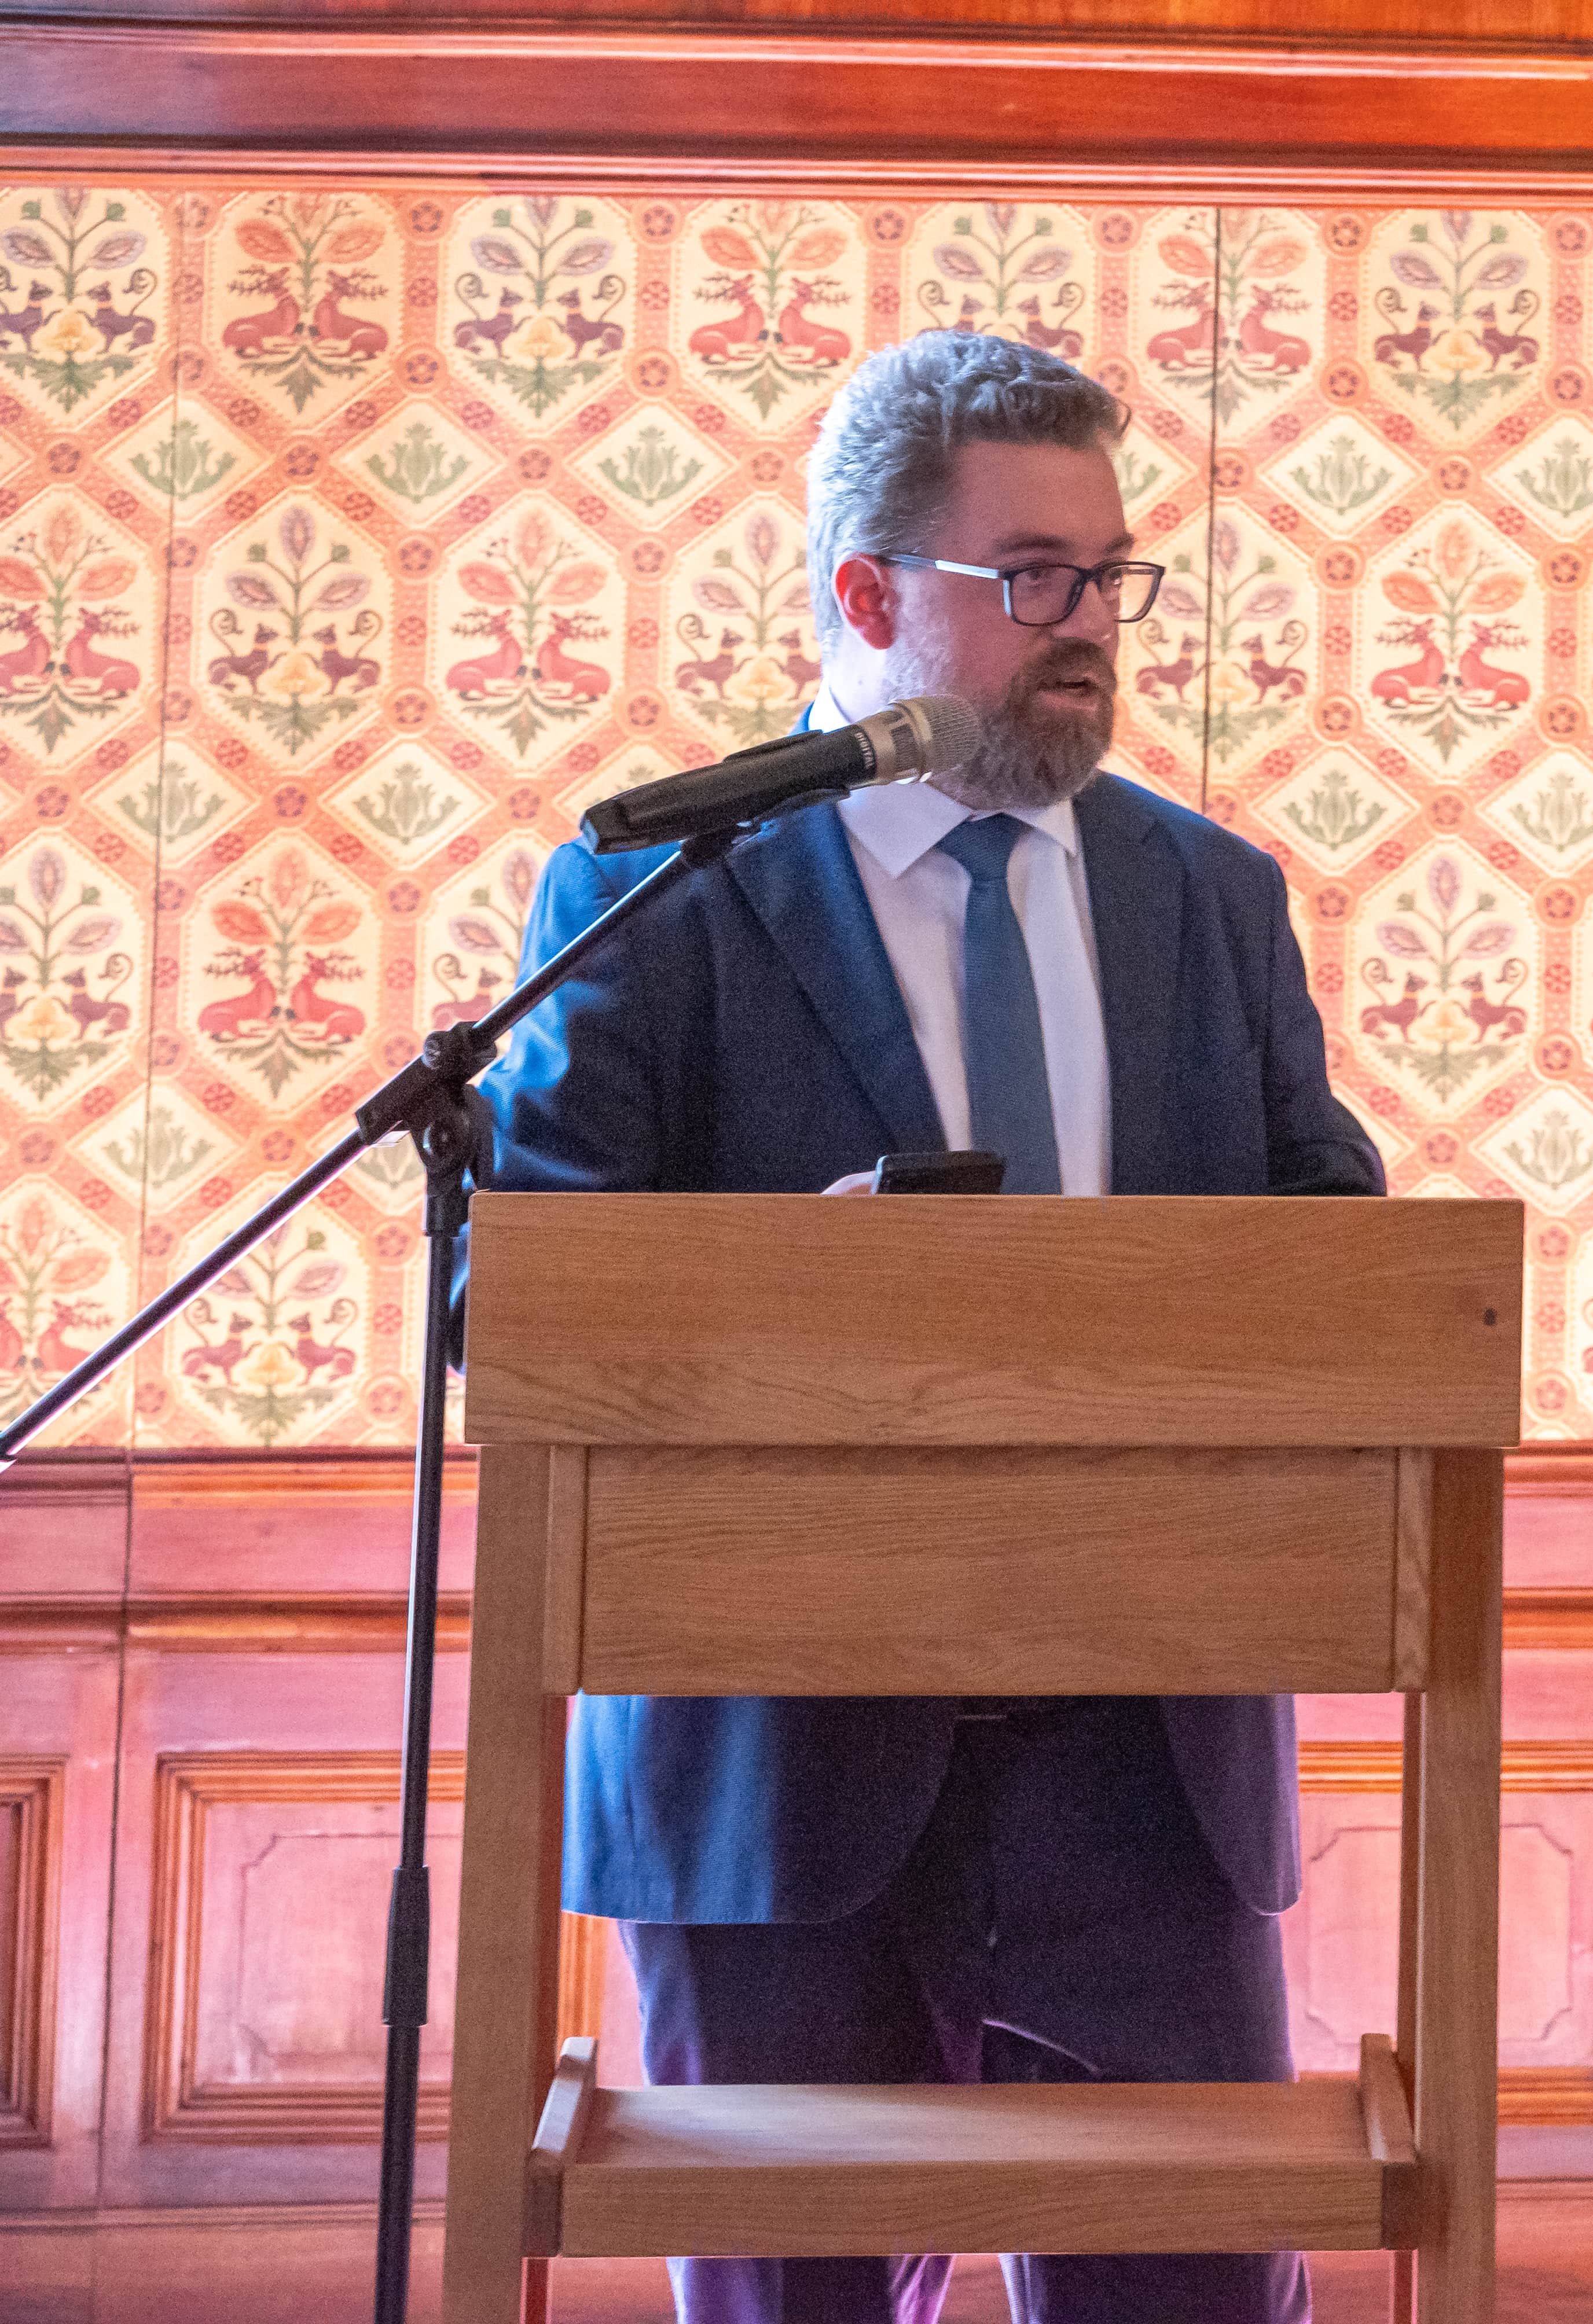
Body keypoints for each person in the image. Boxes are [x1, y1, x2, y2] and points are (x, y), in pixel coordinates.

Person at [480, 329, 1381, 2324]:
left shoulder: (1209, 898)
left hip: (1143, 1764)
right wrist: (796, 1286)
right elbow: (520, 1295)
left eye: (1111, 574)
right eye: (1032, 576)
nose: (1091, 627)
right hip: (777, 1769)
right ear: (869, 596)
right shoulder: (658, 892)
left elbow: (1340, 1258)